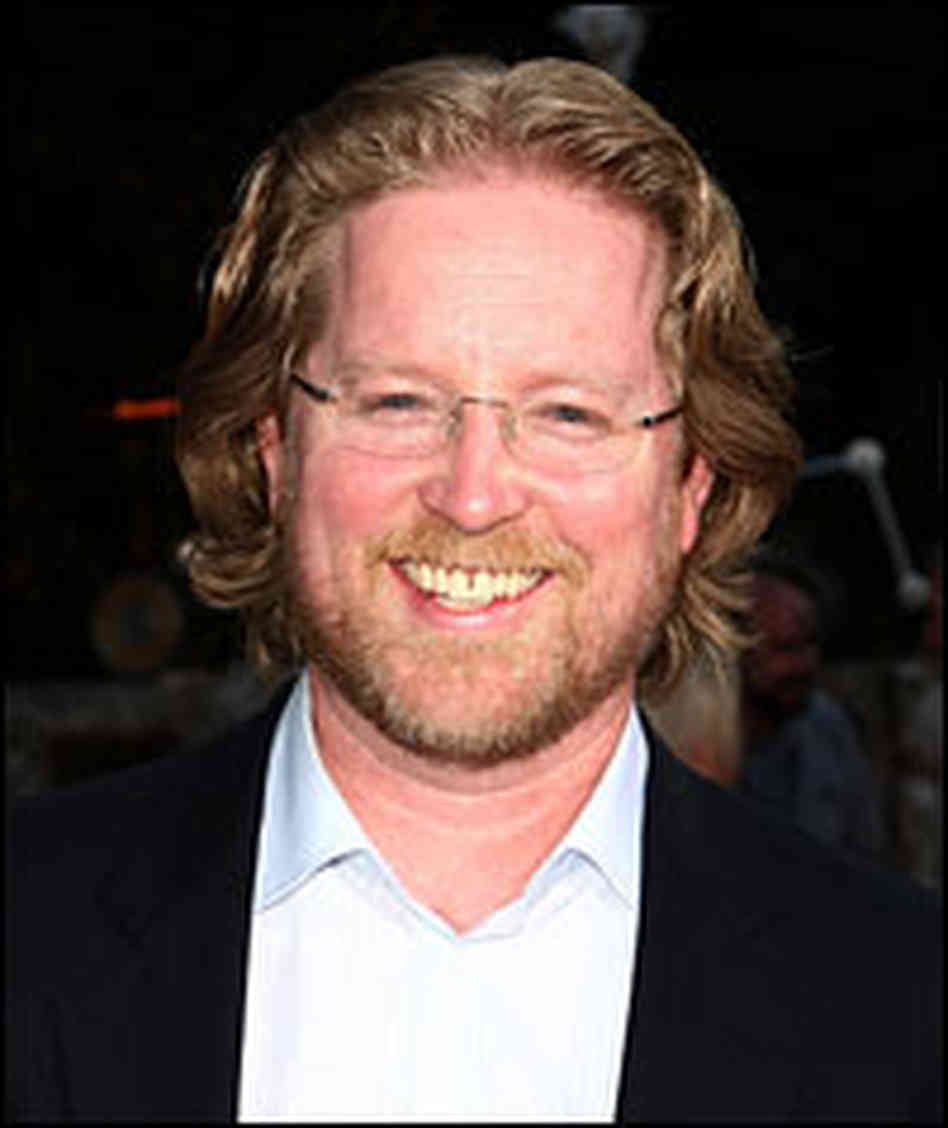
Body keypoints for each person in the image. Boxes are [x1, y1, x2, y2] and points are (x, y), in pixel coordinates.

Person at [8, 56, 941, 1122]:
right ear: (274, 450)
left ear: (691, 485)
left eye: (569, 414)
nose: (474, 494)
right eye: (399, 401)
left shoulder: (904, 1020)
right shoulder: (34, 936)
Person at [737, 550, 885, 855]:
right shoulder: (700, 748)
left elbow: (865, 850)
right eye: (786, 648)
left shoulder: (828, 730)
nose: (806, 664)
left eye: (812, 644)